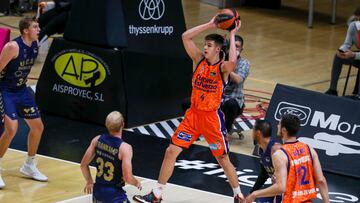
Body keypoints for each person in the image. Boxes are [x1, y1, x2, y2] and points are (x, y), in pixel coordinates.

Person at [133, 15, 244, 203]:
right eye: (205, 44)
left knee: (223, 159)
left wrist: (232, 33)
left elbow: (233, 61)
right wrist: (210, 24)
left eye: (209, 45)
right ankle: (157, 194)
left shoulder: (222, 68)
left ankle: (238, 195)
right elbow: (185, 36)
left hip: (211, 119)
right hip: (193, 116)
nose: (205, 47)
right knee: (170, 152)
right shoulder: (198, 60)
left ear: (218, 49)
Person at [0, 16, 47, 189]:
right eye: (35, 27)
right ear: (26, 30)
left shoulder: (35, 45)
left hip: (21, 90)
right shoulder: (12, 47)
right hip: (5, 91)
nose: (39, 29)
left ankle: (29, 165)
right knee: (11, 128)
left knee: (38, 127)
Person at [245, 114, 329, 203]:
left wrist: (255, 194)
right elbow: (321, 180)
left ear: (283, 130)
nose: (277, 126)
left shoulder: (280, 154)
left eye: (279, 124)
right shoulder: (309, 149)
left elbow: (280, 187)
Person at [80, 111, 142, 203]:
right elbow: (127, 177)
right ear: (123, 124)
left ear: (106, 124)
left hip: (97, 193)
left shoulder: (97, 140)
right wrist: (136, 182)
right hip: (114, 196)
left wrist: (89, 181)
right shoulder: (125, 148)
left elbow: (83, 165)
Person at [325, 7, 360, 98]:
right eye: (356, 19)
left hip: (357, 55)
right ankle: (332, 90)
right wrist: (341, 50)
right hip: (357, 55)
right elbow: (347, 44)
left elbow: (353, 54)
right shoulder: (353, 26)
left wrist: (353, 54)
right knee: (338, 57)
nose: (358, 22)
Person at [221, 35, 250, 139]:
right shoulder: (220, 60)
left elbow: (238, 80)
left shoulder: (244, 63)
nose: (234, 49)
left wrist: (225, 66)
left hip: (235, 101)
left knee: (231, 104)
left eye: (237, 46)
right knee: (188, 102)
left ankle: (226, 132)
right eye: (232, 46)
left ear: (241, 49)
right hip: (217, 100)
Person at [249, 119, 282, 203]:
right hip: (278, 188)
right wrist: (251, 193)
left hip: (287, 190)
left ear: (258, 133)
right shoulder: (261, 149)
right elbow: (264, 174)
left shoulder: (275, 149)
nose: (251, 134)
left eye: (253, 130)